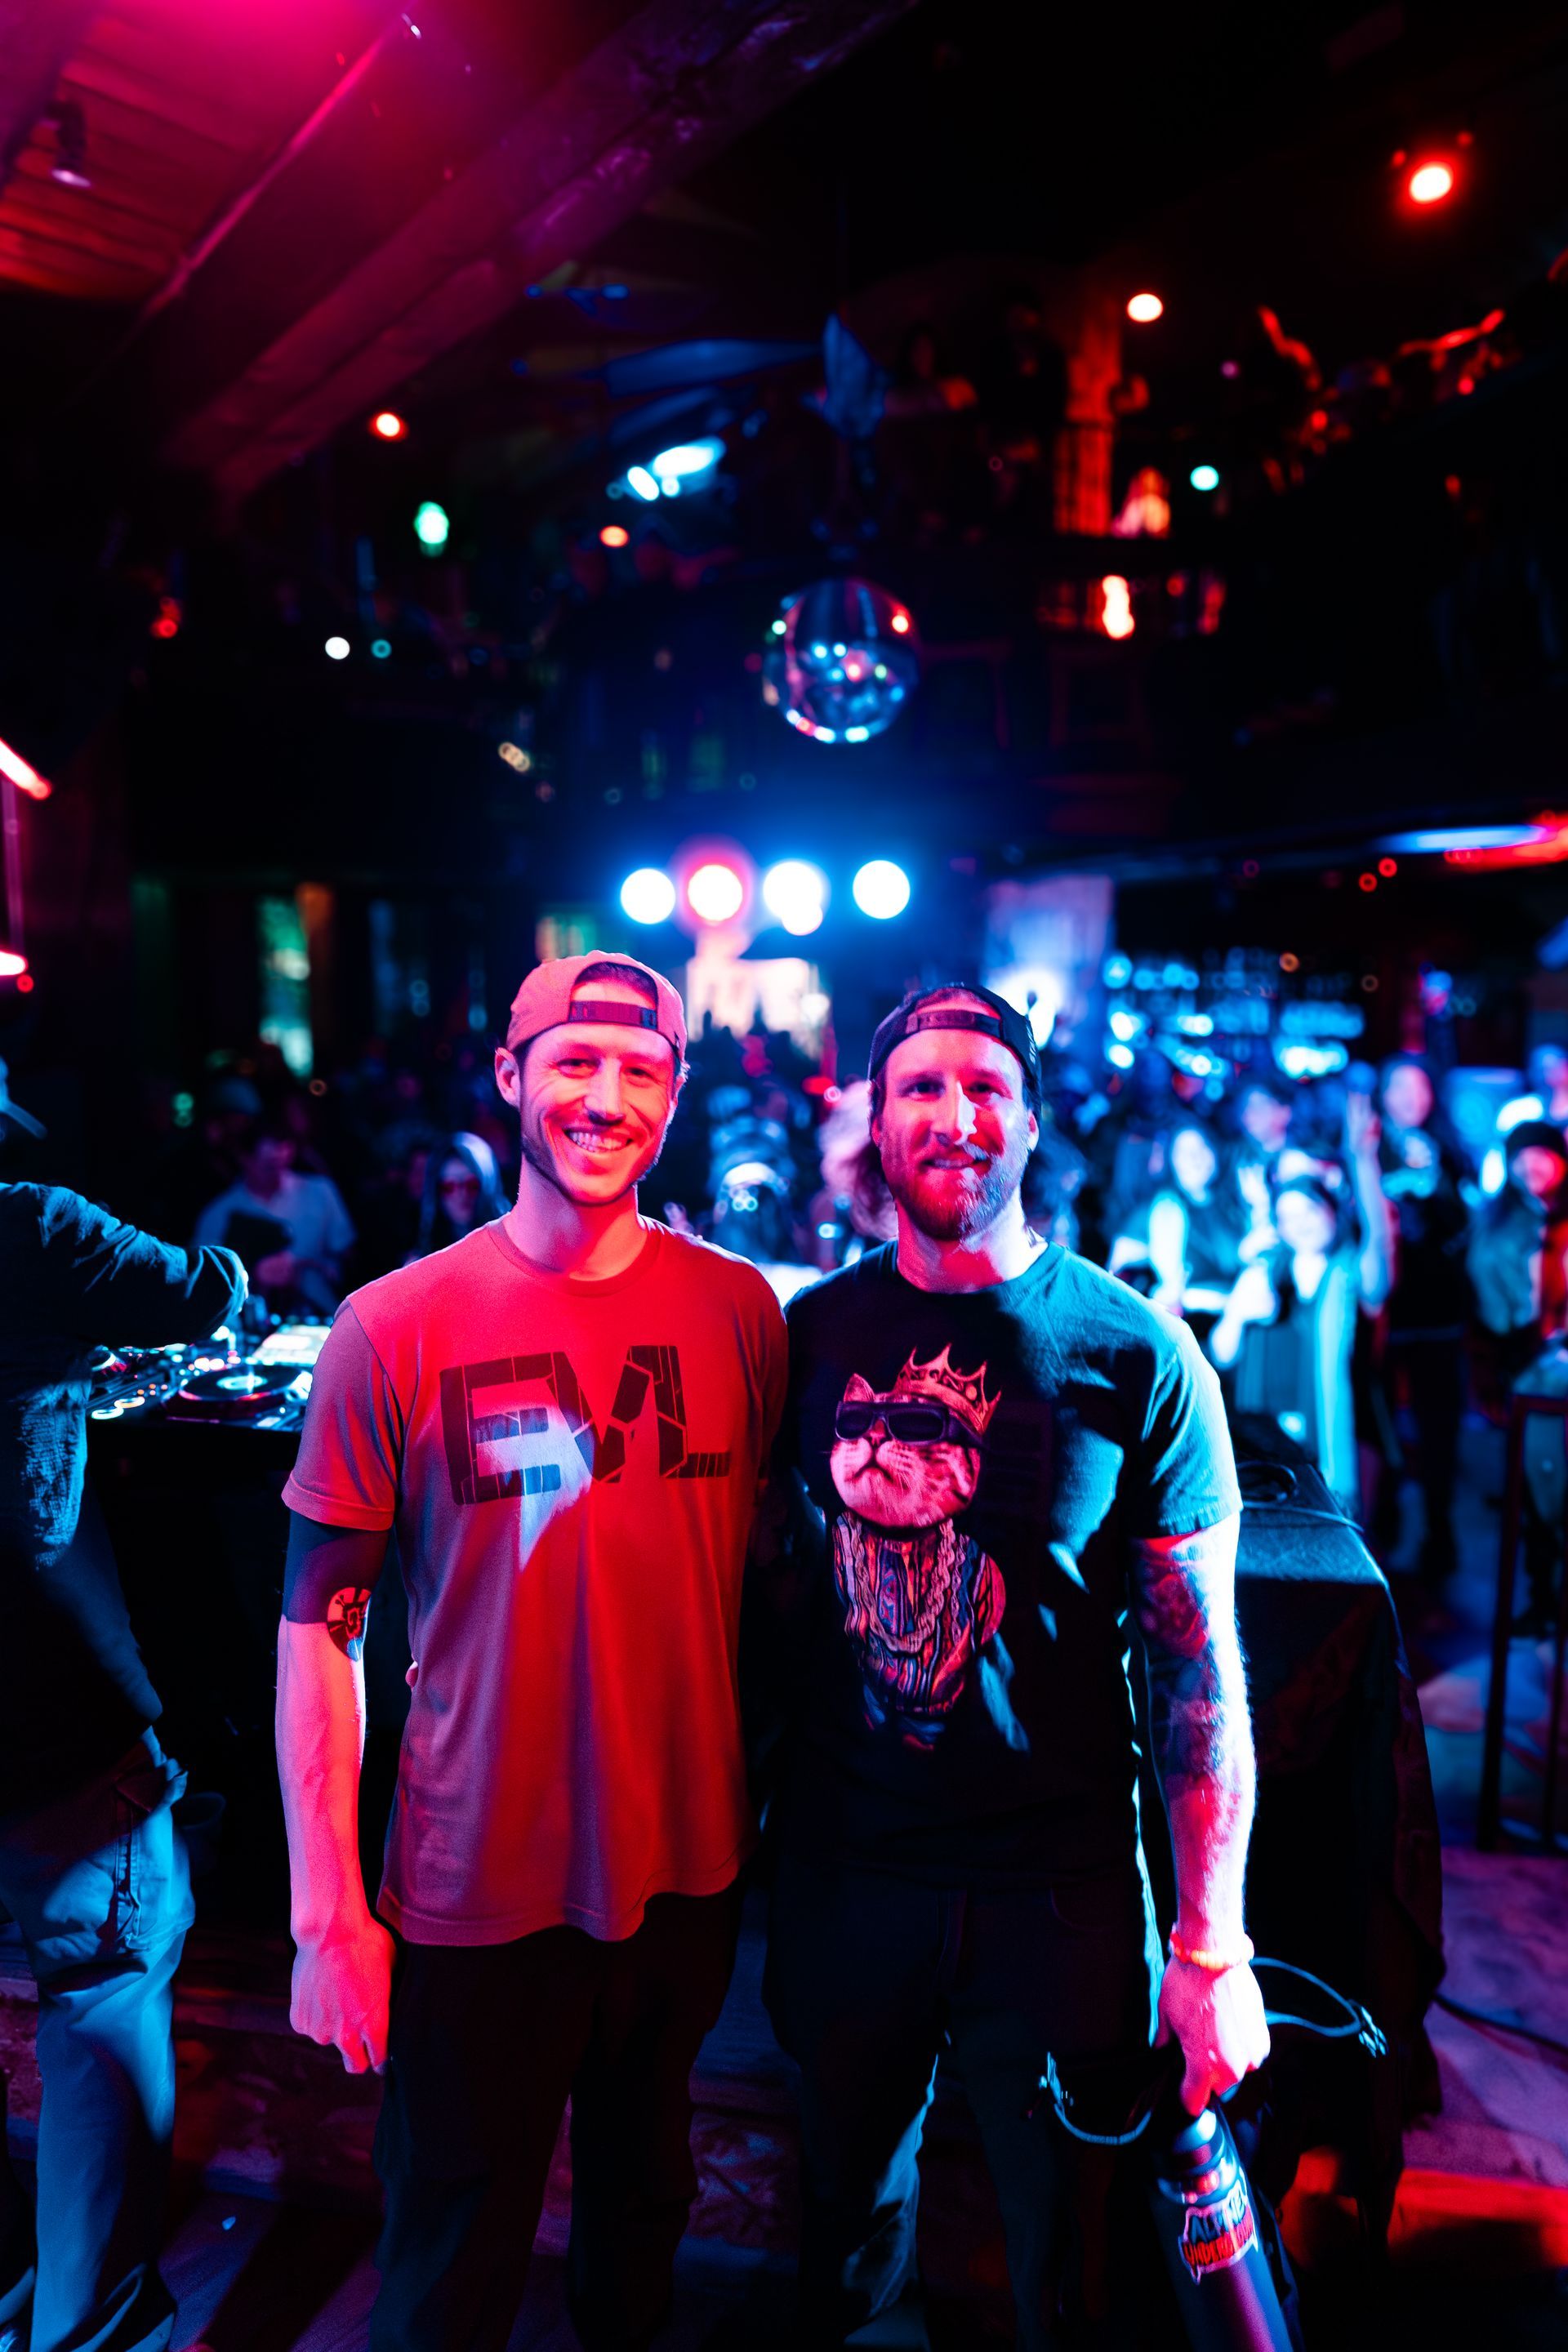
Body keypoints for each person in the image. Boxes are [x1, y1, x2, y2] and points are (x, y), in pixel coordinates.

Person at [275, 952, 786, 2352]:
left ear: (675, 1098)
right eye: (573, 1062)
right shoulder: (392, 1324)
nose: (604, 1097)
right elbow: (318, 1628)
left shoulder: (741, 1312)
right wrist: (328, 1913)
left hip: (686, 1878)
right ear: (509, 1078)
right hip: (475, 1884)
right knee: (449, 2258)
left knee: (642, 2231)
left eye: (638, 1070)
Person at [755, 985, 1267, 2350]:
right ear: (875, 1124)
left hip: (1059, 1893)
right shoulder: (803, 1343)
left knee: (1069, 2273)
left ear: (1033, 1125)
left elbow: (1197, 1669)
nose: (953, 1116)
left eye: (986, 1087)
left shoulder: (1134, 1351)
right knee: (847, 2248)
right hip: (847, 1875)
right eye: (920, 1087)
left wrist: (1212, 1943)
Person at [0, 1070, 247, 2352]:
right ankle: (83, 2329)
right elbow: (211, 1292)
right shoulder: (30, 1223)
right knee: (100, 1984)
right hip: (45, 1720)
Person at [1209, 1101, 1392, 1517]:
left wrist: (1364, 1160)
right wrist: (1238, 1315)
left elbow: (1379, 1242)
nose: (1301, 1224)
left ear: (1333, 1210)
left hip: (1345, 1441)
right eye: (1288, 1216)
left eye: (1310, 1210)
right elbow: (1221, 1355)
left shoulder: (1352, 1272)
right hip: (1268, 1445)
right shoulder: (1266, 1269)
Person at [1374, 1055, 1472, 1578]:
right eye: (1399, 1088)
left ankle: (1440, 1529)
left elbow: (1466, 1230)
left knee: (1440, 1426)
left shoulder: (1452, 1151)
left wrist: (1436, 1186)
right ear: (1383, 1094)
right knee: (1385, 1421)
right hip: (1387, 1312)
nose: (1410, 1099)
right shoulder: (1368, 1149)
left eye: (1419, 1089)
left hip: (1439, 1312)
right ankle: (1381, 1526)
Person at [194, 1116, 355, 1316]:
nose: (277, 1172)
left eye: (283, 1162)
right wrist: (253, 1275)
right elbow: (203, 1283)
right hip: (250, 1324)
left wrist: (306, 1265)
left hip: (322, 1316)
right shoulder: (219, 1214)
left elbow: (348, 1257)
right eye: (269, 1165)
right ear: (245, 1159)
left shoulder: (320, 1192)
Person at [1146, 1120, 1249, 1329]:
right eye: (1184, 1152)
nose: (1195, 1158)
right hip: (1196, 1332)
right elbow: (1169, 1292)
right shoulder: (1168, 1208)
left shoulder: (1232, 1204)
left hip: (1242, 1331)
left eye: (1202, 1147)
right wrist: (1228, 1302)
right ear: (1171, 1162)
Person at [405, 1129, 506, 1263]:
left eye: (472, 1185)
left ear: (487, 1185)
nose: (461, 1195)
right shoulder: (421, 1264)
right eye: (449, 1187)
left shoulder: (513, 1248)